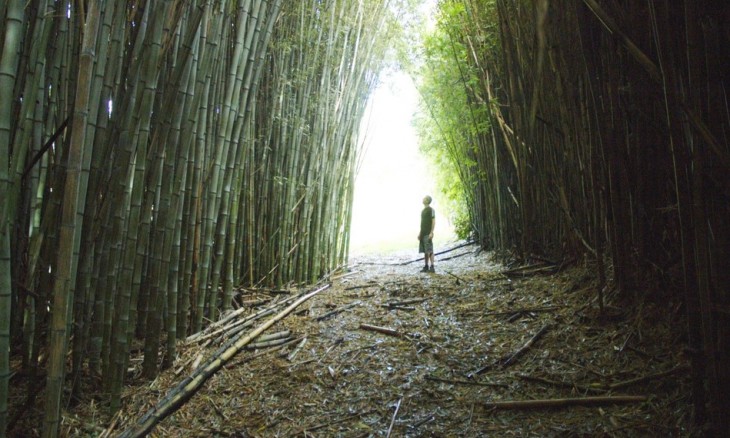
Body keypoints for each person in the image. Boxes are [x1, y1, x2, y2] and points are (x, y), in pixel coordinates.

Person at [418, 195, 436, 273]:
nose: (423, 199)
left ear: (428, 200)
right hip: (423, 233)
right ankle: (426, 266)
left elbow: (433, 221)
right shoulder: (423, 211)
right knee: (425, 251)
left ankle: (432, 266)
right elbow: (422, 223)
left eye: (424, 198)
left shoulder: (431, 210)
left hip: (428, 232)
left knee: (430, 250)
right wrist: (420, 233)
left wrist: (431, 232)